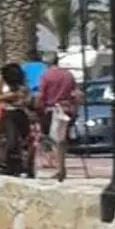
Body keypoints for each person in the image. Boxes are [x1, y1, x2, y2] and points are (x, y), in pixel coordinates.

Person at [37, 52, 82, 180]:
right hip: (67, 110)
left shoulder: (46, 76)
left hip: (52, 110)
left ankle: (59, 169)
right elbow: (77, 94)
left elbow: (42, 95)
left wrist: (38, 109)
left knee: (54, 140)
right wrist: (75, 109)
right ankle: (61, 167)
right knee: (62, 140)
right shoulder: (68, 75)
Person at [0, 64, 38, 178]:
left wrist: (24, 99)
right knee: (12, 141)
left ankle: (25, 165)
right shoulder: (2, 81)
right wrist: (11, 96)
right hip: (8, 113)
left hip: (21, 113)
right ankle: (10, 165)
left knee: (26, 140)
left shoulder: (22, 84)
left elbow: (27, 96)